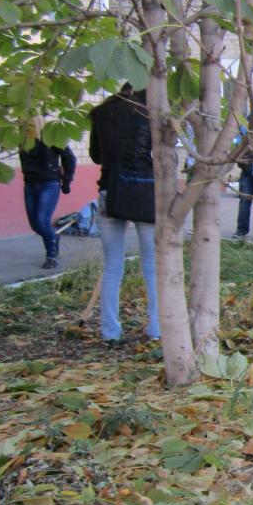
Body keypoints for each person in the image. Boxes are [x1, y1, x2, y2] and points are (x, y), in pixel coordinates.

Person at [89, 83, 160, 345]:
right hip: (144, 193)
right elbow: (160, 156)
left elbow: (96, 156)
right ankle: (157, 328)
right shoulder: (150, 115)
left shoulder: (100, 114)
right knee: (152, 266)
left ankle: (110, 332)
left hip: (110, 191)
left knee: (112, 267)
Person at [19, 116, 76, 270]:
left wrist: (67, 180)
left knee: (42, 220)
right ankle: (53, 237)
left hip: (49, 183)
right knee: (35, 224)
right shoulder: (22, 140)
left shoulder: (51, 137)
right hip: (30, 183)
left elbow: (69, 158)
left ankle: (51, 256)